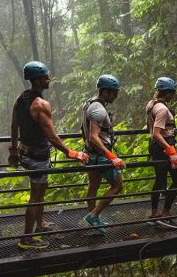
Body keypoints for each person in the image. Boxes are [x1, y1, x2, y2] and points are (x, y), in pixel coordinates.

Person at [9, 61, 88, 250]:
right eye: (45, 77)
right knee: (35, 196)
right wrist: (72, 153)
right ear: (37, 80)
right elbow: (51, 136)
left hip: (25, 152)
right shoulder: (41, 104)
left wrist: (13, 150)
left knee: (41, 188)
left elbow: (14, 126)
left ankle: (40, 223)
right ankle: (26, 239)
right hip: (37, 156)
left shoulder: (21, 98)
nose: (48, 79)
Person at [79, 74, 125, 234]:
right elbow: (93, 137)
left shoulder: (88, 104)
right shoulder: (98, 109)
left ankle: (94, 220)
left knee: (93, 187)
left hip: (90, 155)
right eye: (114, 93)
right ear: (105, 92)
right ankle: (94, 215)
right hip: (101, 155)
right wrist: (112, 157)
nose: (116, 96)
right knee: (118, 185)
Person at [146, 77, 177, 230]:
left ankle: (155, 215)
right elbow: (157, 133)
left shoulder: (151, 104)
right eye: (171, 93)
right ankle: (165, 214)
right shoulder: (162, 109)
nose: (172, 96)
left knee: (160, 180)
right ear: (167, 93)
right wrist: (172, 152)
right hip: (164, 147)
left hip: (156, 148)